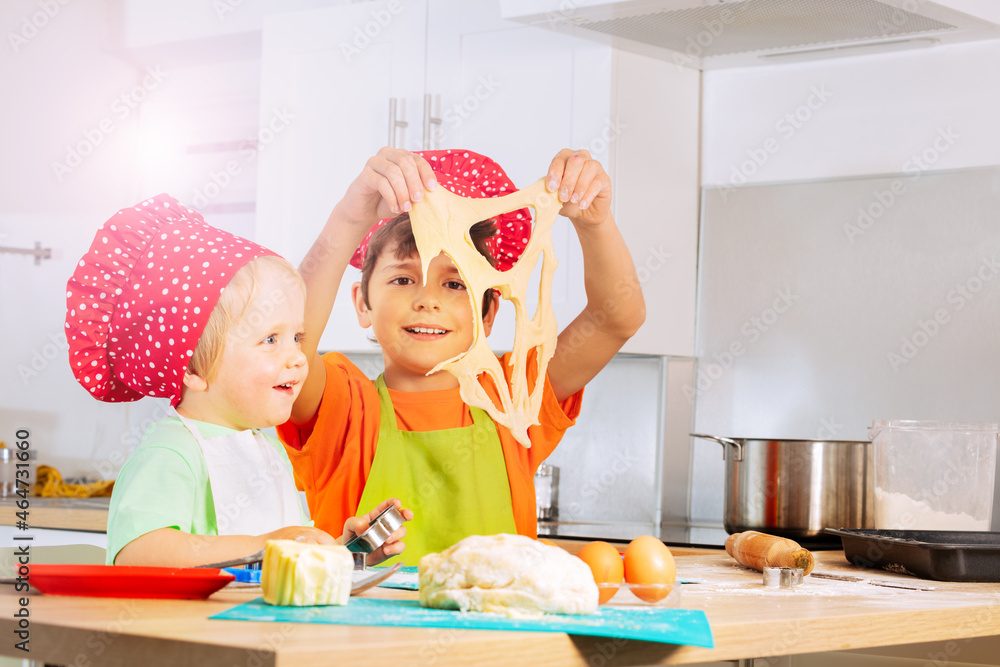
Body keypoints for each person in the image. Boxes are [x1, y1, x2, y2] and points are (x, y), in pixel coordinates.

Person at [279, 148, 645, 565]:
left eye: (454, 284)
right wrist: (349, 217)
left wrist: (595, 224)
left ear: (488, 312)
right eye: (403, 278)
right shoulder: (342, 409)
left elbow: (617, 319)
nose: (427, 300)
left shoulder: (514, 398)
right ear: (362, 302)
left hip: (496, 633)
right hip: (363, 633)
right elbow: (287, 342)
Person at [65, 194, 412, 567]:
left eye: (297, 337)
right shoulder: (172, 453)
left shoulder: (266, 448)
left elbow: (282, 559)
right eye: (270, 340)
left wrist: (344, 554)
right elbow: (139, 555)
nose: (298, 357)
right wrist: (266, 544)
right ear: (194, 371)